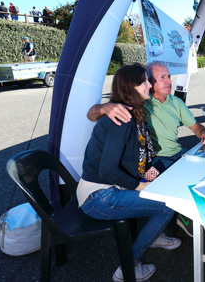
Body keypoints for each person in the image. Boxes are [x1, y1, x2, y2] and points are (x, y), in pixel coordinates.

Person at [77, 63, 181, 282]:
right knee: (167, 207)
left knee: (167, 187)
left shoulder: (134, 111)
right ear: (129, 87)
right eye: (143, 81)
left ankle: (154, 234)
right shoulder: (122, 119)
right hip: (99, 197)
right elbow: (107, 170)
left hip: (105, 189)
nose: (149, 84)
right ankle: (128, 267)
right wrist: (140, 185)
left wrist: (153, 175)